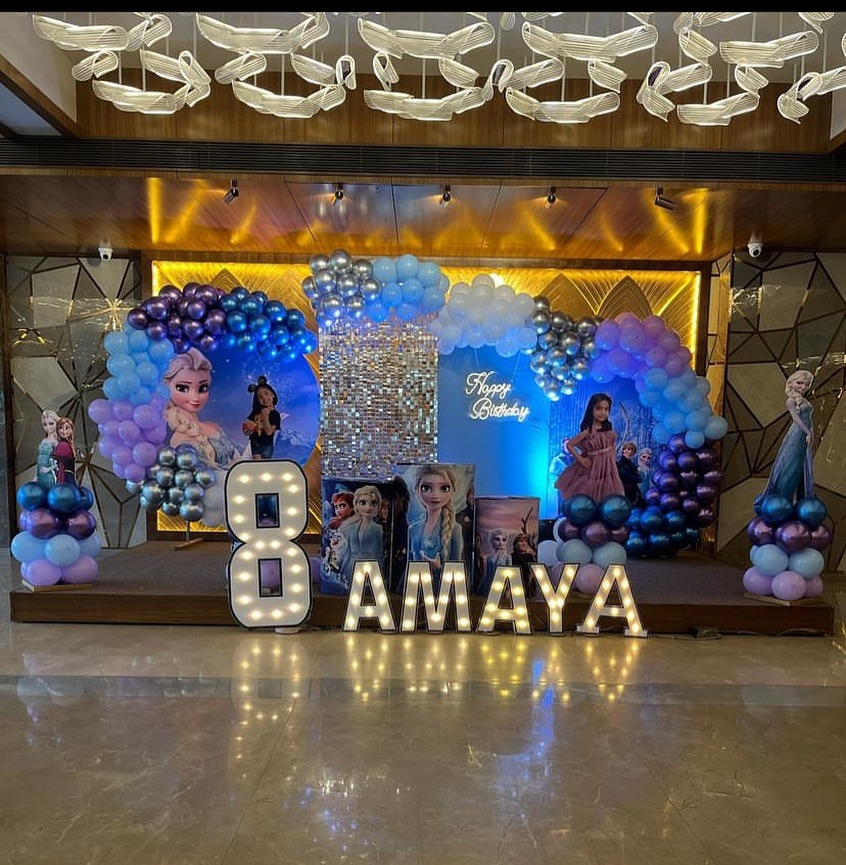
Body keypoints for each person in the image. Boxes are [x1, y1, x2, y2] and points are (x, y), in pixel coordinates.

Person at [163, 347, 241, 469]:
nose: (195, 397)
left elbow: (240, 459)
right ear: (166, 387)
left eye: (202, 388)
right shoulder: (179, 438)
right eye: (182, 388)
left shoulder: (213, 426)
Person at [755, 369, 815, 507]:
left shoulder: (804, 400)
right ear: (791, 383)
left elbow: (808, 419)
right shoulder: (790, 401)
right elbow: (796, 420)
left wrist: (811, 433)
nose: (803, 387)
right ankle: (786, 497)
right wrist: (807, 432)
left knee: (801, 465)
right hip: (797, 434)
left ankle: (797, 498)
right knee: (791, 464)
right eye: (799, 383)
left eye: (806, 385)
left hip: (805, 434)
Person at [554, 392, 624, 503]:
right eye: (599, 408)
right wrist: (581, 460)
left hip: (608, 465)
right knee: (592, 489)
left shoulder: (608, 428)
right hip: (594, 466)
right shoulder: (588, 430)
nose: (603, 412)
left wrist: (612, 456)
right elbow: (570, 444)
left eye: (606, 409)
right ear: (591, 409)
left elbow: (612, 444)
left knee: (607, 489)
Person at [407, 464, 463, 588]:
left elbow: (457, 569)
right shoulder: (413, 529)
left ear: (453, 490)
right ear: (417, 490)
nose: (435, 495)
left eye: (444, 488)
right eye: (426, 488)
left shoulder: (455, 529)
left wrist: (438, 568)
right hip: (415, 589)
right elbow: (408, 566)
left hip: (442, 590)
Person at [337, 484, 385, 586]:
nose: (368, 507)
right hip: (350, 568)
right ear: (356, 505)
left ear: (378, 506)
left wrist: (379, 574)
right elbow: (347, 552)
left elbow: (379, 553)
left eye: (373, 503)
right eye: (363, 503)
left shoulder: (377, 529)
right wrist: (341, 571)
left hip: (370, 568)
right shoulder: (351, 528)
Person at [242, 375, 287, 460]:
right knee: (257, 463)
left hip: (266, 445)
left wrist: (265, 416)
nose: (264, 398)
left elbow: (269, 432)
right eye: (260, 396)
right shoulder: (255, 412)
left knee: (265, 464)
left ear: (273, 394)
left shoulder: (275, 415)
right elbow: (248, 426)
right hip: (255, 443)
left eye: (266, 393)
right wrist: (247, 430)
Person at [480, 528, 511, 596]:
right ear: (491, 541)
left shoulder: (507, 557)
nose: (501, 543)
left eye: (504, 540)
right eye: (497, 539)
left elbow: (509, 574)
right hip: (489, 585)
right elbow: (486, 575)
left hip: (502, 585)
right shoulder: (488, 558)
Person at [35, 408, 60, 488]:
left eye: (51, 423)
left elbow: (61, 462)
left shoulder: (55, 442)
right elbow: (39, 459)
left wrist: (48, 469)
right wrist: (36, 476)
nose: (48, 427)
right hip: (41, 474)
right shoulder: (43, 440)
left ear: (56, 423)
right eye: (45, 424)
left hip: (50, 474)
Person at [617, 440, 645, 507]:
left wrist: (634, 477)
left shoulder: (632, 464)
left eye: (632, 451)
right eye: (628, 449)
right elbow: (625, 477)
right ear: (623, 450)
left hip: (635, 491)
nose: (630, 452)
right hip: (625, 492)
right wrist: (634, 477)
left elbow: (640, 479)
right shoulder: (620, 464)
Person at [511, 531, 538, 597]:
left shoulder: (530, 557)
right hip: (515, 588)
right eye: (521, 541)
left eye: (525, 541)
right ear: (515, 545)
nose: (524, 543)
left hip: (529, 589)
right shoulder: (511, 557)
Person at [52, 416, 76, 485]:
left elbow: (53, 457)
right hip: (68, 477)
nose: (64, 431)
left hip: (65, 478)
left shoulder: (63, 445)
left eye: (67, 428)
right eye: (61, 428)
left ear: (71, 430)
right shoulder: (67, 444)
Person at [548, 438, 569, 514]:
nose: (568, 446)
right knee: (562, 504)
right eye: (566, 445)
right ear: (563, 446)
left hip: (573, 485)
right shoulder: (557, 459)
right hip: (562, 485)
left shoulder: (575, 458)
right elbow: (551, 471)